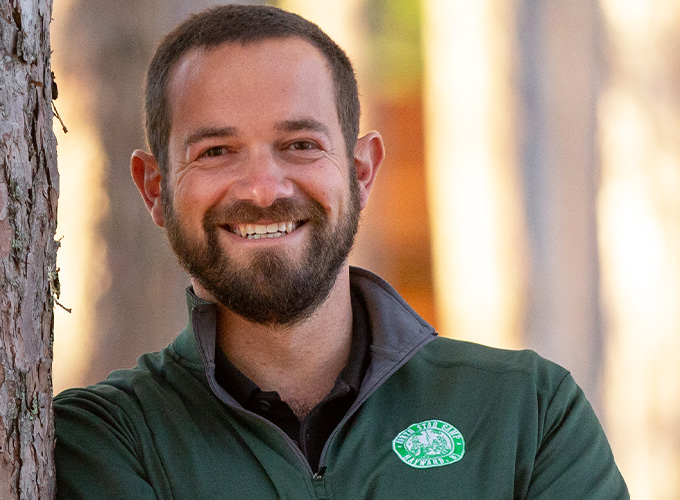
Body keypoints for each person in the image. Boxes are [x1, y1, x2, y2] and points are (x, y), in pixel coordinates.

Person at [54, 5, 629, 499]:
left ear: (360, 171)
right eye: (217, 151)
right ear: (156, 188)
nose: (263, 188)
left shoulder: (527, 413)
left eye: (300, 145)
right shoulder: (107, 439)